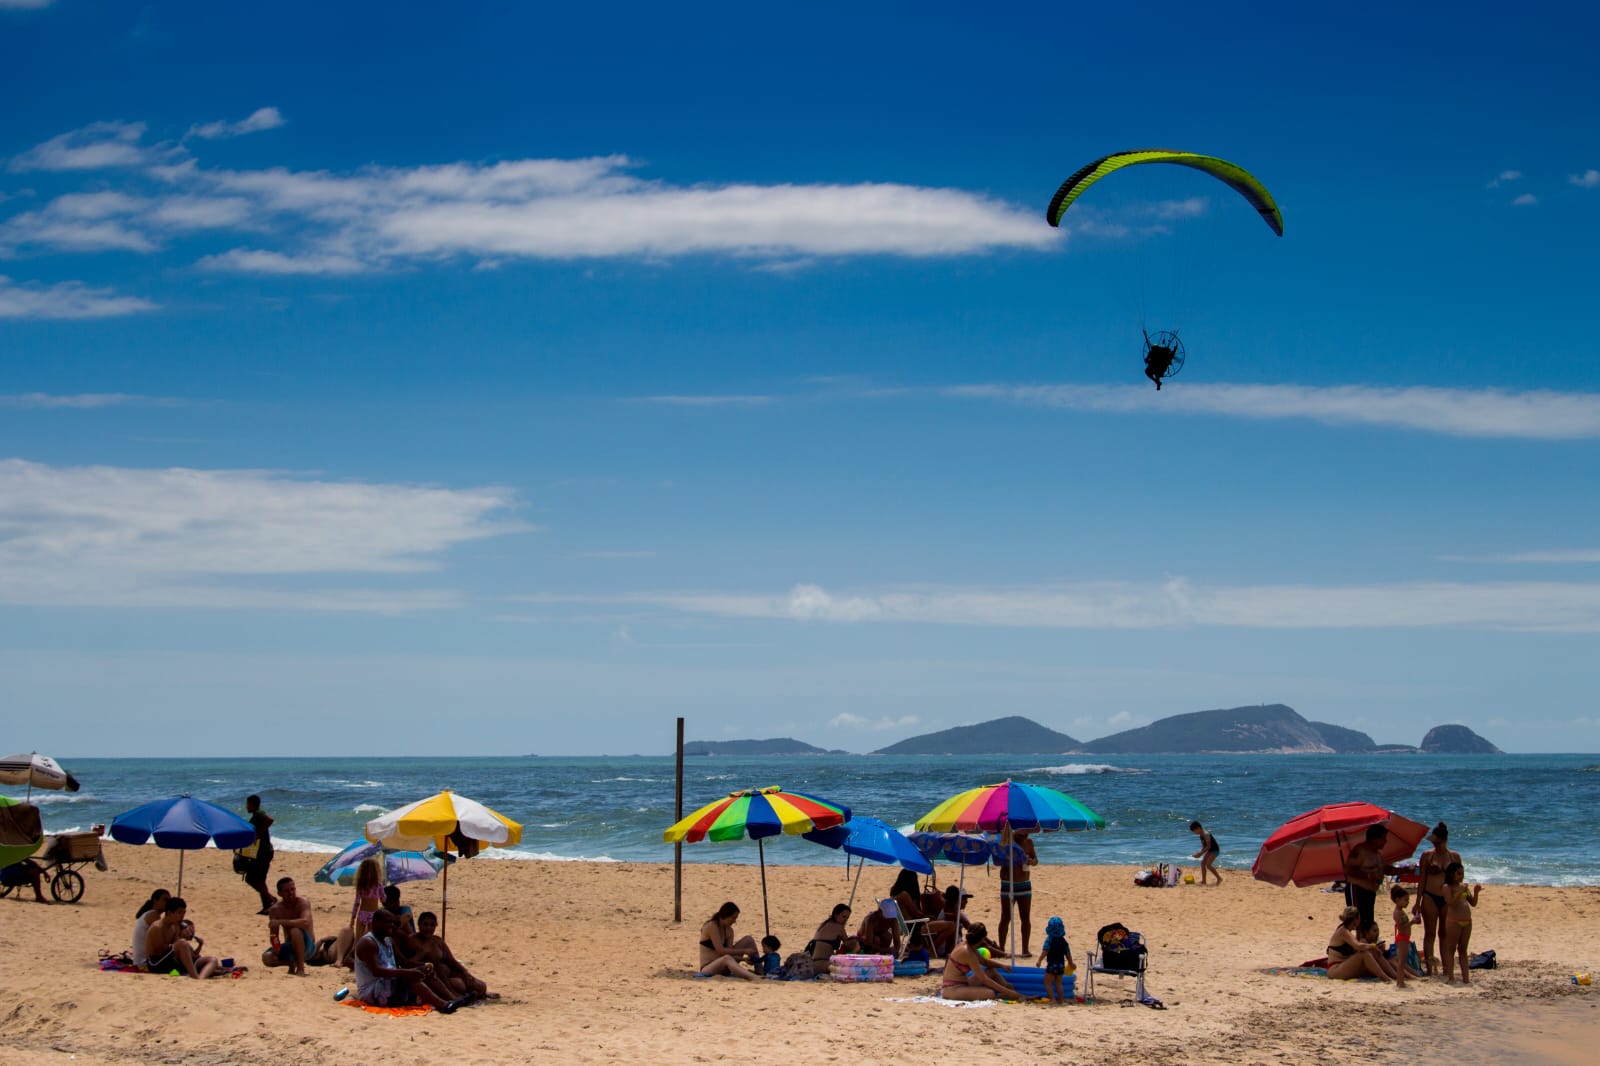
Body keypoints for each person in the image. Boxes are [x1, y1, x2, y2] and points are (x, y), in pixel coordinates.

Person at [353, 909, 467, 1011]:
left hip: (389, 984)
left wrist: (422, 967)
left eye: (393, 923)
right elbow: (377, 971)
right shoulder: (368, 943)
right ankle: (443, 1005)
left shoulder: (388, 941)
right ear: (376, 923)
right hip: (373, 991)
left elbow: (404, 962)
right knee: (411, 978)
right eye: (388, 923)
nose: (392, 926)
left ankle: (453, 999)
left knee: (426, 973)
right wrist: (407, 973)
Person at [412, 911, 497, 999]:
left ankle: (477, 994)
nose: (428, 928)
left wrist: (465, 972)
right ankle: (454, 994)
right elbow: (410, 962)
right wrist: (422, 954)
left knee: (481, 987)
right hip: (437, 978)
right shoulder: (414, 941)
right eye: (425, 925)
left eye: (432, 925)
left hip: (450, 973)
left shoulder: (438, 941)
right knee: (459, 985)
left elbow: (452, 961)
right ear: (419, 925)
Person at [1415, 822, 1462, 977]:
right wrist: (1417, 902)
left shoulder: (1454, 856)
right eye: (1434, 843)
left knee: (1445, 933)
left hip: (1447, 898)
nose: (1436, 845)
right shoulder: (1427, 855)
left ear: (1445, 840)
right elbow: (1422, 879)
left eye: (1438, 842)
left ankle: (1446, 967)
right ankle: (1429, 967)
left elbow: (1459, 879)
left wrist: (1459, 898)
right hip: (1429, 895)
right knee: (1430, 933)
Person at [1342, 825, 1404, 928]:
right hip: (1357, 890)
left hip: (1370, 893)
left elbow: (1385, 869)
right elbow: (1348, 869)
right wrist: (1369, 875)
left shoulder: (1377, 854)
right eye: (1383, 838)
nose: (1385, 841)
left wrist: (1403, 871)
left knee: (1368, 923)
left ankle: (1364, 942)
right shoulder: (1360, 851)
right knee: (1357, 922)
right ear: (1374, 839)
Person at [145, 897, 222, 979]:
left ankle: (201, 978)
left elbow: (177, 947)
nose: (182, 916)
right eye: (179, 913)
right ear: (169, 913)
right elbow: (160, 951)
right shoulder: (158, 927)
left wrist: (187, 942)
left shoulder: (174, 926)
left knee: (212, 960)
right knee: (182, 943)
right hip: (156, 963)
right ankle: (195, 976)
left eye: (183, 913)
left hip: (171, 961)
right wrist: (180, 944)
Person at [941, 923, 1016, 1001]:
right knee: (990, 993)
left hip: (962, 983)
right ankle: (1009, 994)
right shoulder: (968, 953)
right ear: (982, 938)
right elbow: (984, 979)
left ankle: (1007, 987)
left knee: (990, 971)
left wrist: (1002, 966)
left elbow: (984, 961)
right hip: (952, 989)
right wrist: (1009, 993)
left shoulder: (967, 945)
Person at [995, 829, 1039, 955]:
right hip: (1008, 884)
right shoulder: (1007, 842)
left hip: (1024, 883)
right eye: (1022, 834)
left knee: (1025, 917)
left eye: (1026, 833)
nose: (1024, 836)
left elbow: (1035, 859)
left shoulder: (1028, 842)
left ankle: (1025, 949)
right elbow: (998, 860)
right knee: (1006, 916)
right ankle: (1001, 948)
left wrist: (1031, 861)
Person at [262, 876, 316, 975]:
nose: (291, 893)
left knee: (295, 931)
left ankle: (301, 969)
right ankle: (291, 964)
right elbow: (274, 935)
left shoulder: (302, 902)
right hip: (290, 946)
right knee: (266, 957)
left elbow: (305, 922)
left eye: (293, 889)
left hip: (308, 946)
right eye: (287, 891)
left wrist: (281, 922)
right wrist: (276, 949)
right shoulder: (275, 910)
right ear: (280, 894)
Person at [1440, 862, 1482, 985]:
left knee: (1463, 950)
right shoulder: (1447, 887)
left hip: (1467, 921)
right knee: (1451, 949)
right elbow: (1451, 903)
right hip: (1454, 921)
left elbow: (1473, 903)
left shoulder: (1463, 886)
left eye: (1462, 874)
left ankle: (1466, 978)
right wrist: (1460, 891)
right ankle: (1451, 976)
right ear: (1452, 874)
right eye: (1458, 874)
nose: (1461, 876)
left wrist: (1476, 892)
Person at [1324, 905, 1391, 982]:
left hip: (1343, 965)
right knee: (1364, 954)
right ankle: (1386, 978)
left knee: (1373, 957)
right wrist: (1373, 946)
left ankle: (1395, 975)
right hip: (1335, 969)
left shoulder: (1347, 931)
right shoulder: (1343, 931)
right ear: (1356, 919)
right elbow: (1358, 946)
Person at [697, 901, 759, 980]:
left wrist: (744, 959)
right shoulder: (712, 926)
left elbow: (731, 953)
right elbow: (721, 951)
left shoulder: (729, 931)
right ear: (725, 915)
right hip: (709, 967)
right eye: (733, 918)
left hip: (725, 967)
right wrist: (744, 951)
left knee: (748, 939)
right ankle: (753, 977)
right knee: (726, 958)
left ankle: (760, 971)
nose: (734, 921)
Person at [243, 795, 275, 914]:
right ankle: (267, 905)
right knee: (259, 880)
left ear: (253, 804)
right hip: (260, 852)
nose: (247, 806)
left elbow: (270, 820)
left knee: (252, 879)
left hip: (264, 852)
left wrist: (258, 835)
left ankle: (271, 899)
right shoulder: (255, 815)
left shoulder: (259, 813)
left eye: (248, 804)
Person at [808, 903, 860, 973]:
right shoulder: (838, 927)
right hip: (824, 964)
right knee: (854, 943)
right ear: (836, 915)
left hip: (814, 964)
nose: (845, 920)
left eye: (847, 918)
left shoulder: (826, 923)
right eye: (843, 917)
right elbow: (848, 944)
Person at [1036, 916, 1074, 1005]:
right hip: (1061, 965)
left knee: (1047, 982)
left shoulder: (1049, 940)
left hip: (1052, 964)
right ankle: (1060, 1000)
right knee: (1058, 983)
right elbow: (1068, 953)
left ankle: (1052, 999)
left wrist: (1039, 960)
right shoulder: (1064, 941)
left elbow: (1045, 951)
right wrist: (1071, 963)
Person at [131, 888, 170, 968]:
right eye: (165, 900)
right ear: (155, 900)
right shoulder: (153, 916)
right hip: (145, 962)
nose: (168, 903)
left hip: (139, 961)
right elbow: (161, 943)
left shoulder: (148, 914)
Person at [349, 856, 384, 942]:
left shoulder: (361, 886)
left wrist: (353, 918)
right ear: (377, 871)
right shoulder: (378, 885)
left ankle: (356, 954)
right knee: (371, 940)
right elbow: (383, 899)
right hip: (374, 915)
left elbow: (357, 903)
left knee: (358, 940)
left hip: (362, 914)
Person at [1390, 885, 1417, 987]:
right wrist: (1412, 923)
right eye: (1405, 900)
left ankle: (1400, 981)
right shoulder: (1397, 912)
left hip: (1404, 938)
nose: (1407, 902)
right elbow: (1401, 927)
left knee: (1403, 960)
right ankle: (1400, 982)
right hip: (1402, 938)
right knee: (1401, 962)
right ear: (1397, 899)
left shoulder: (1401, 911)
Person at [1189, 820, 1222, 886]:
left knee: (1208, 865)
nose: (1195, 833)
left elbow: (1208, 846)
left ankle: (1219, 878)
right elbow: (1204, 847)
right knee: (1202, 863)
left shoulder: (1206, 834)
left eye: (1194, 831)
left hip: (1215, 850)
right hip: (1210, 850)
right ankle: (1204, 881)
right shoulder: (1201, 835)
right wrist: (1199, 853)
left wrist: (1200, 854)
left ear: (1198, 828)